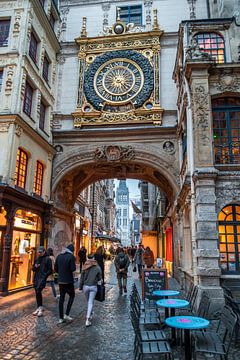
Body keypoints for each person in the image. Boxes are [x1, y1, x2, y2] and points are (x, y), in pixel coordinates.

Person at [55, 243, 76, 324]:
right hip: (68, 281)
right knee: (72, 295)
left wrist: (61, 272)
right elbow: (73, 269)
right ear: (72, 251)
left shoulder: (59, 256)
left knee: (62, 298)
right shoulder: (71, 257)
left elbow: (55, 268)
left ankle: (60, 318)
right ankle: (66, 314)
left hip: (61, 280)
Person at [79, 253, 102, 327]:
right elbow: (99, 277)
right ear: (94, 258)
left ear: (87, 258)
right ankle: (88, 318)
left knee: (88, 301)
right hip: (93, 286)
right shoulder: (97, 266)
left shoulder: (84, 266)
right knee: (90, 302)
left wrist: (80, 286)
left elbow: (81, 278)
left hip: (85, 286)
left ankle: (90, 314)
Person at [32, 246, 52, 317]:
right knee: (37, 292)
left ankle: (40, 308)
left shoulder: (48, 259)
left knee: (38, 291)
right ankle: (39, 307)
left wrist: (45, 276)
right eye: (38, 252)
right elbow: (33, 268)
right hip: (36, 277)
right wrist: (35, 267)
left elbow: (50, 270)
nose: (39, 253)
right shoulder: (37, 259)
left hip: (42, 278)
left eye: (40, 252)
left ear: (44, 252)